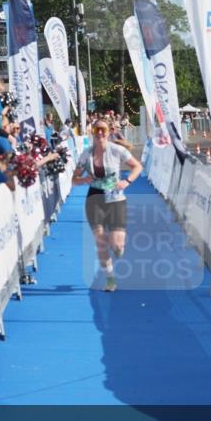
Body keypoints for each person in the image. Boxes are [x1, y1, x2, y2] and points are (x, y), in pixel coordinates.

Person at [72, 119, 144, 292]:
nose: (100, 133)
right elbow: (74, 180)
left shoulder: (117, 150)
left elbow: (137, 167)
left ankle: (118, 249)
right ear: (92, 132)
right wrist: (83, 179)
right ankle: (110, 279)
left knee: (117, 245)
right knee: (101, 242)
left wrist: (127, 181)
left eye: (103, 130)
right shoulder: (86, 154)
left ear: (108, 132)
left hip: (115, 200)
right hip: (94, 199)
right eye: (96, 129)